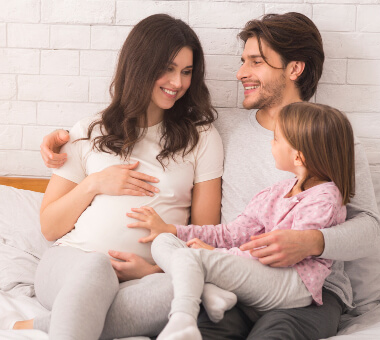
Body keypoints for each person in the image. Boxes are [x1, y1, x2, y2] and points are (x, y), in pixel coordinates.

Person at [37, 12, 380, 340]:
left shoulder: (332, 137)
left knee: (274, 333)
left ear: (294, 68)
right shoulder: (221, 129)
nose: (240, 73)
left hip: (306, 290)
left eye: (256, 62)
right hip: (230, 284)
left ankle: (52, 323)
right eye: (242, 61)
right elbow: (140, 125)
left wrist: (312, 242)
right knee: (190, 325)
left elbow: (368, 228)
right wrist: (63, 143)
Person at [9, 14, 224, 340]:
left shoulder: (202, 138)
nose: (177, 82)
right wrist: (95, 183)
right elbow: (50, 225)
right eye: (167, 68)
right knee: (97, 269)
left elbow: (205, 235)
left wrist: (155, 270)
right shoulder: (89, 131)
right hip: (71, 263)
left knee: (190, 289)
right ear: (139, 66)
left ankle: (50, 326)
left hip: (148, 277)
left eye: (186, 71)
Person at [131, 102, 355, 340]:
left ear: (298, 157)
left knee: (191, 257)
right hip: (260, 275)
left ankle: (183, 319)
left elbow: (281, 255)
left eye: (276, 139)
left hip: (292, 284)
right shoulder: (277, 191)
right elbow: (233, 233)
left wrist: (219, 257)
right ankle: (209, 291)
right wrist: (174, 230)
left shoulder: (325, 200)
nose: (271, 143)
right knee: (164, 242)